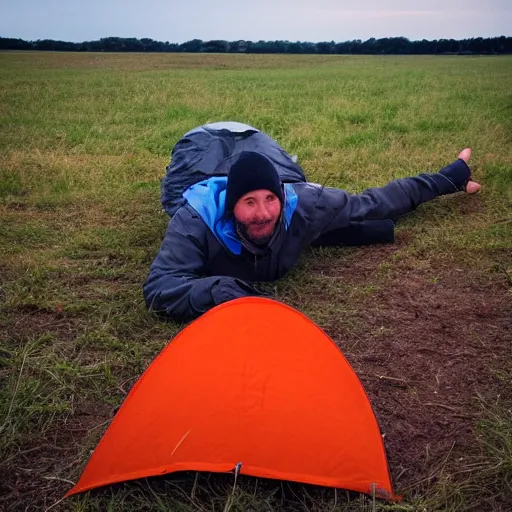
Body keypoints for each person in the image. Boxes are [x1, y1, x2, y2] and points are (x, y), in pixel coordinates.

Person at [143, 125, 480, 321]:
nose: (262, 213)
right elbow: (161, 287)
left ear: (281, 197)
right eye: (248, 203)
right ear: (231, 207)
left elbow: (374, 202)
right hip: (202, 151)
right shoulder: (195, 219)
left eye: (269, 199)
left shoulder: (303, 202)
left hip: (262, 151)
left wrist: (448, 178)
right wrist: (225, 292)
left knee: (357, 212)